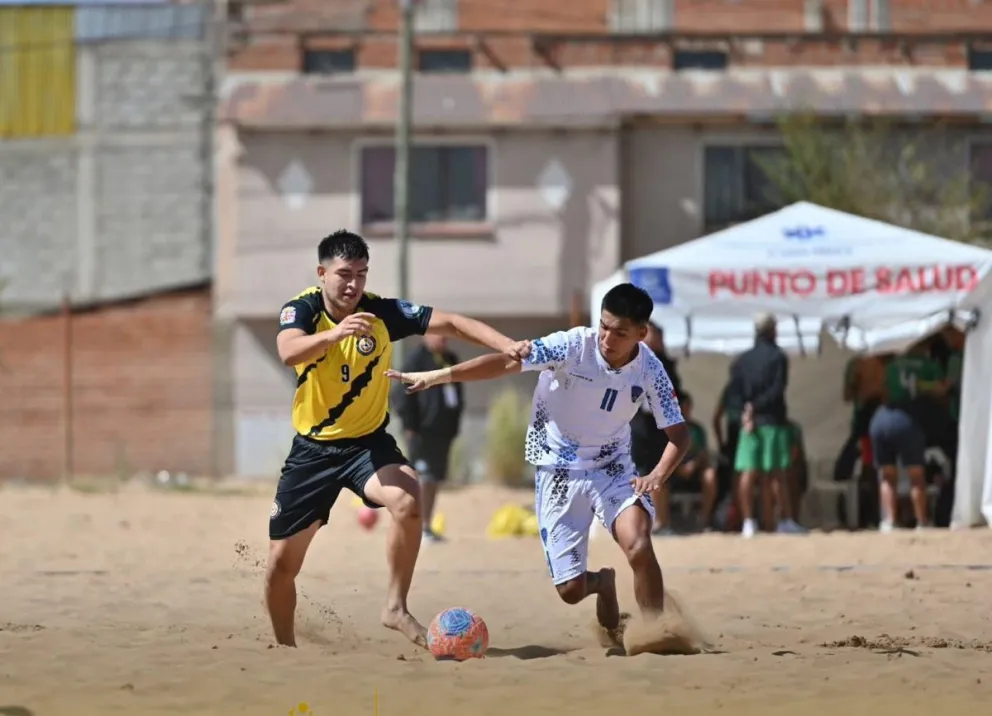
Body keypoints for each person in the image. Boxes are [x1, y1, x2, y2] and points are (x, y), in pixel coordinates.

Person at [387, 283, 691, 645]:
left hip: (612, 466)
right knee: (570, 589)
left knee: (639, 545)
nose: (607, 338)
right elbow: (506, 361)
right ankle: (603, 584)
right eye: (603, 326)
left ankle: (657, 632)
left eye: (620, 332)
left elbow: (679, 435)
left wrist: (657, 475)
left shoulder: (650, 369)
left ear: (641, 334)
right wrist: (437, 377)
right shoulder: (573, 345)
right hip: (558, 469)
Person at [267, 229, 529, 648]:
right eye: (344, 274)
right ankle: (284, 649)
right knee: (281, 566)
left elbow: (453, 323)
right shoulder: (302, 309)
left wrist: (508, 344)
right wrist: (334, 335)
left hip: (366, 445)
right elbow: (288, 350)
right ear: (321, 273)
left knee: (408, 502)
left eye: (362, 274)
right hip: (313, 450)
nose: (353, 284)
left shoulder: (382, 314)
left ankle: (394, 607)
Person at [732, 313, 805, 538]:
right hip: (772, 421)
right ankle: (784, 520)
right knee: (777, 474)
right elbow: (777, 389)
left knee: (748, 473)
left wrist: (746, 412)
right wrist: (756, 406)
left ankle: (748, 523)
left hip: (749, 424)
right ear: (772, 330)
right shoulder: (778, 357)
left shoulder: (742, 360)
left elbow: (735, 391)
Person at [393, 333, 464, 543]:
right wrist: (410, 425)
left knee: (433, 480)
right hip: (421, 431)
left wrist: (454, 424)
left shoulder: (450, 359)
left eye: (445, 336)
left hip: (443, 432)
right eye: (439, 336)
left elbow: (457, 392)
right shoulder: (416, 359)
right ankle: (413, 526)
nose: (444, 340)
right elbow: (400, 394)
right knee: (421, 479)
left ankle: (426, 525)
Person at [870, 340, 945, 532]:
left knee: (887, 475)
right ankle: (922, 521)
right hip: (908, 418)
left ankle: (889, 521)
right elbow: (941, 390)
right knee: (916, 475)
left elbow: (882, 391)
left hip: (882, 417)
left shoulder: (892, 366)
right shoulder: (930, 365)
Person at [651, 392, 718, 535]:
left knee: (710, 475)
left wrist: (693, 465)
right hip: (673, 471)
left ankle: (704, 520)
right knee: (657, 479)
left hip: (694, 471)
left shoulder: (697, 429)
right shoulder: (665, 429)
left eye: (689, 406)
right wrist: (678, 467)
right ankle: (663, 522)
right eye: (684, 406)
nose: (687, 410)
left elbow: (703, 453)